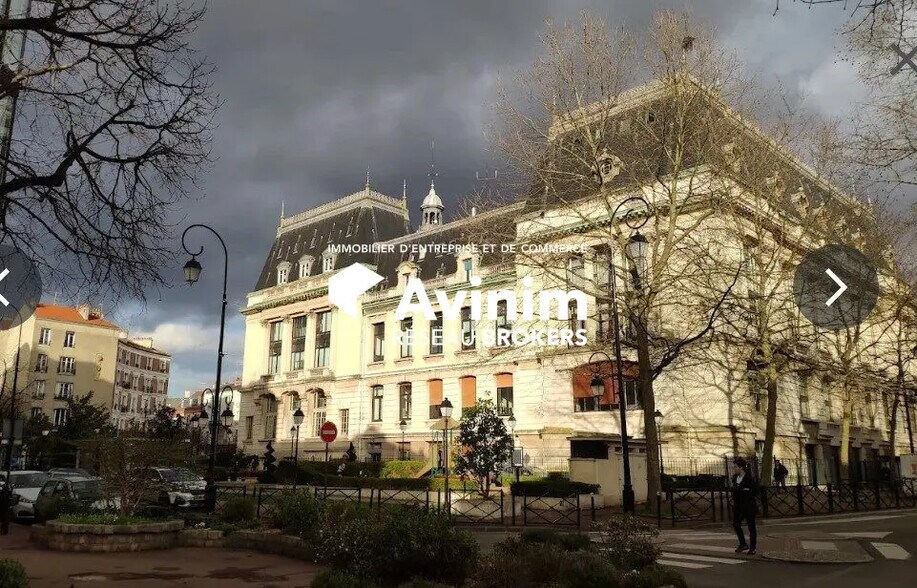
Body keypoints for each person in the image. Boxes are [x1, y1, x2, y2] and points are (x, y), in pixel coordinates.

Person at [731, 456, 758, 555]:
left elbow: (754, 491)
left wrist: (744, 491)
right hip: (738, 506)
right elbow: (734, 491)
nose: (734, 469)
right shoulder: (735, 478)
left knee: (751, 527)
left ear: (741, 467)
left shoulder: (748, 478)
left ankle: (753, 547)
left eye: (735, 467)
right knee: (736, 524)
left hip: (748, 506)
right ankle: (743, 544)